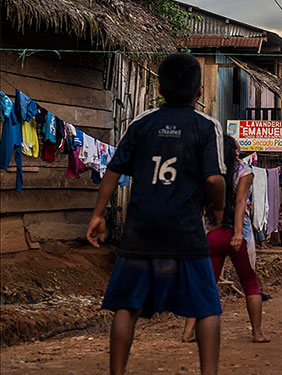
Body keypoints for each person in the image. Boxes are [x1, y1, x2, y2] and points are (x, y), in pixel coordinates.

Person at [86, 53, 226, 375]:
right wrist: (217, 210)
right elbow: (214, 179)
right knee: (206, 308)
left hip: (140, 230)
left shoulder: (142, 123)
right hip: (185, 232)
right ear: (199, 92)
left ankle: (117, 372)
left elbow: (112, 170)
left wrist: (98, 214)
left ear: (160, 88)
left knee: (127, 307)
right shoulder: (207, 127)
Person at [183, 135, 269, 344]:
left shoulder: (207, 170)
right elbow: (240, 202)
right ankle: (257, 333)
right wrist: (238, 233)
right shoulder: (244, 172)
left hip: (211, 231)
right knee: (250, 284)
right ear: (235, 152)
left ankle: (188, 333)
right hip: (237, 233)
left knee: (205, 284)